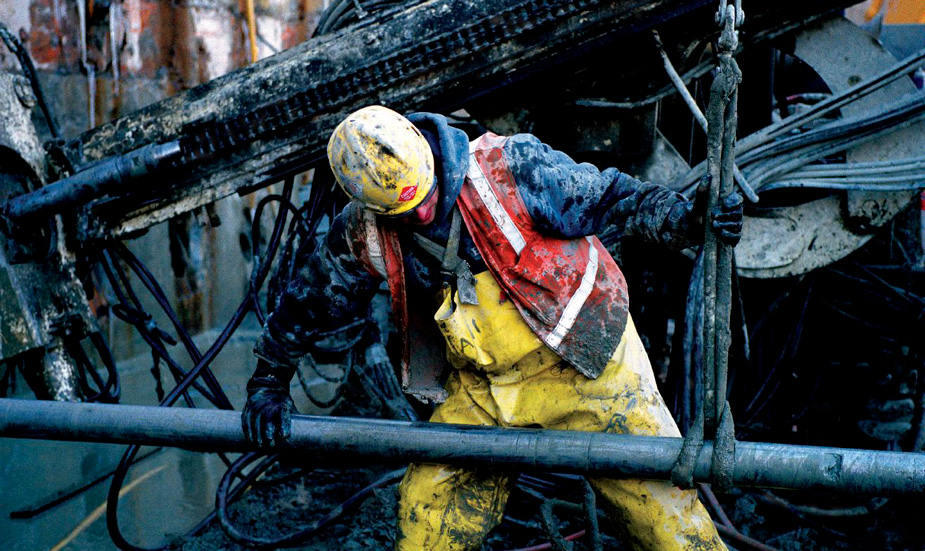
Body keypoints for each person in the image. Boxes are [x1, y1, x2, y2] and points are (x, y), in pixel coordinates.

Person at [242, 105, 743, 551]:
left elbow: (614, 197)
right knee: (428, 511)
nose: (423, 211)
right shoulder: (364, 230)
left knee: (666, 518)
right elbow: (309, 301)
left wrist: (688, 217)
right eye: (407, 212)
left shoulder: (512, 168)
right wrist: (269, 380)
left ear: (427, 155)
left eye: (427, 195)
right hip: (484, 388)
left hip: (586, 364)